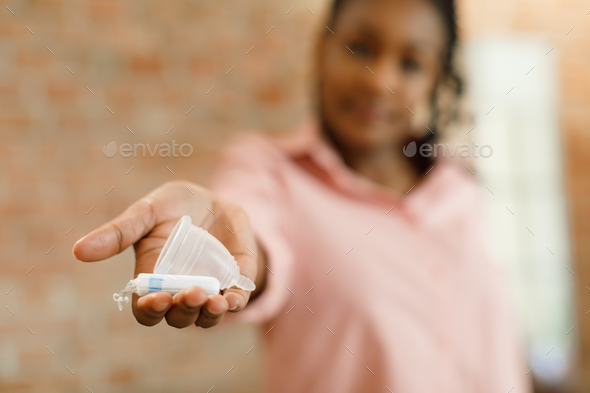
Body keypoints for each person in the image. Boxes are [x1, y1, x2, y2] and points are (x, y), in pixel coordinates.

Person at [73, 0, 533, 391]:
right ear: (322, 49)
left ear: (436, 79)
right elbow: (258, 244)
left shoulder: (458, 183)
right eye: (360, 48)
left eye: (411, 62)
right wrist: (231, 252)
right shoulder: (268, 171)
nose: (379, 81)